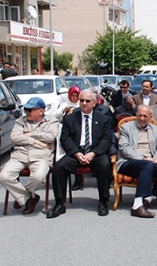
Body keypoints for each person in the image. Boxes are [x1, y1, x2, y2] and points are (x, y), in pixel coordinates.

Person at [47, 90, 114, 218]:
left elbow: (107, 139)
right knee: (59, 167)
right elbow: (65, 139)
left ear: (94, 103)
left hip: (95, 153)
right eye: (81, 100)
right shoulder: (70, 118)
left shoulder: (104, 119)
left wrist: (93, 153)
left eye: (87, 101)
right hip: (76, 153)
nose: (84, 103)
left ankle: (103, 201)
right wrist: (76, 153)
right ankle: (60, 204)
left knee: (105, 165)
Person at [0, 97, 59, 214]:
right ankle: (28, 198)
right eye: (26, 109)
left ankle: (24, 196)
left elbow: (50, 137)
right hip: (20, 155)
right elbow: (15, 138)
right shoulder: (21, 121)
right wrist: (36, 141)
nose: (27, 112)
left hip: (40, 156)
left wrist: (31, 134)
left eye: (30, 110)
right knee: (3, 177)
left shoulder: (51, 121)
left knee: (38, 177)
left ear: (41, 111)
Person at [117, 105, 157, 218]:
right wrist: (143, 158)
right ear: (136, 115)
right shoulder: (125, 127)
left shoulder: (154, 129)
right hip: (129, 162)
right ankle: (137, 205)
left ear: (150, 117)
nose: (142, 118)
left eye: (145, 116)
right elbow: (124, 149)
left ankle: (149, 198)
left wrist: (156, 159)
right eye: (140, 115)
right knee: (146, 164)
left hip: (149, 163)